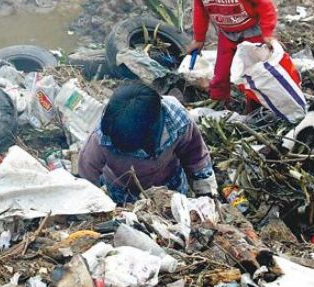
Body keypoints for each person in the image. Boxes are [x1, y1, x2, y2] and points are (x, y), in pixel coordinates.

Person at [181, 0, 280, 105]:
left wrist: (267, 33)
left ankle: (255, 105)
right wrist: (198, 38)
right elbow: (200, 10)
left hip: (252, 34)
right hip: (227, 35)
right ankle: (219, 104)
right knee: (220, 75)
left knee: (253, 72)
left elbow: (265, 5)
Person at [78, 82, 217, 205]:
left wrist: (205, 194)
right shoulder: (102, 136)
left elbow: (196, 156)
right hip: (123, 193)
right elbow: (86, 178)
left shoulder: (178, 122)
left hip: (170, 188)